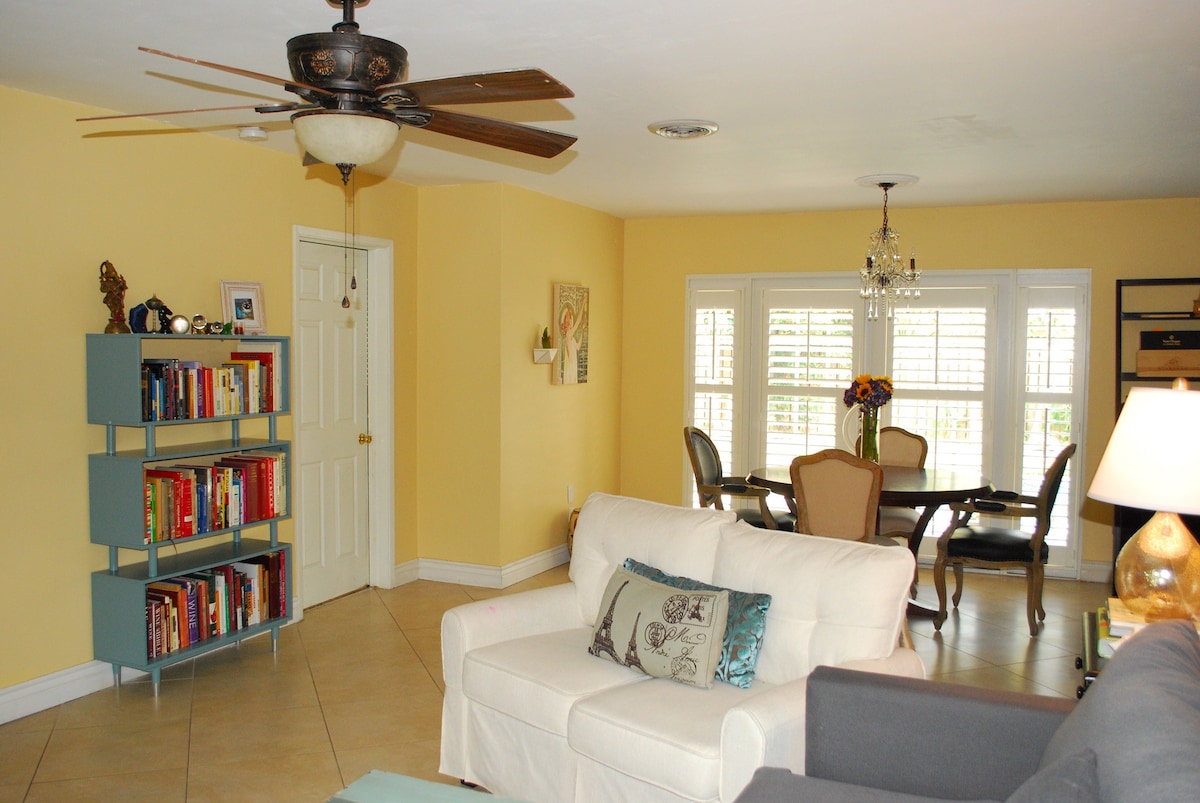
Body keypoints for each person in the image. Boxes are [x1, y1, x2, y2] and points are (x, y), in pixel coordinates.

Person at [99, 260, 131, 333]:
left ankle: (119, 319)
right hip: (111, 299)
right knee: (115, 310)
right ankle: (116, 319)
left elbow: (123, 288)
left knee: (119, 310)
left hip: (118, 298)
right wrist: (108, 286)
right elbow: (103, 289)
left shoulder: (117, 282)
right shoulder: (108, 283)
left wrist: (122, 283)